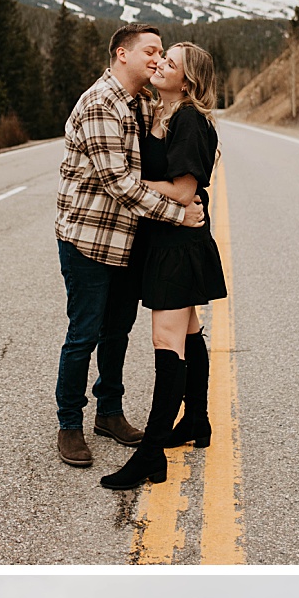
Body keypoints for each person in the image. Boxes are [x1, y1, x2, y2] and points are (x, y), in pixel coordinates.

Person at [54, 25, 204, 470]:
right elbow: (119, 184)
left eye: (162, 54)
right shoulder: (101, 103)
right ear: (123, 54)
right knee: (84, 335)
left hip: (125, 240)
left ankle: (110, 413)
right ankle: (69, 424)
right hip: (88, 238)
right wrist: (180, 212)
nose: (157, 60)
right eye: (151, 52)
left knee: (117, 332)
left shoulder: (138, 101)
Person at [100, 43, 228, 491]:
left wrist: (134, 183)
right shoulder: (159, 111)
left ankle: (151, 456)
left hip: (178, 245)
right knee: (189, 330)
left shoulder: (190, 119)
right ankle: (196, 420)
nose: (160, 64)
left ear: (187, 81)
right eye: (161, 57)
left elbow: (183, 190)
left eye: (170, 63)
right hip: (164, 241)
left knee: (166, 340)